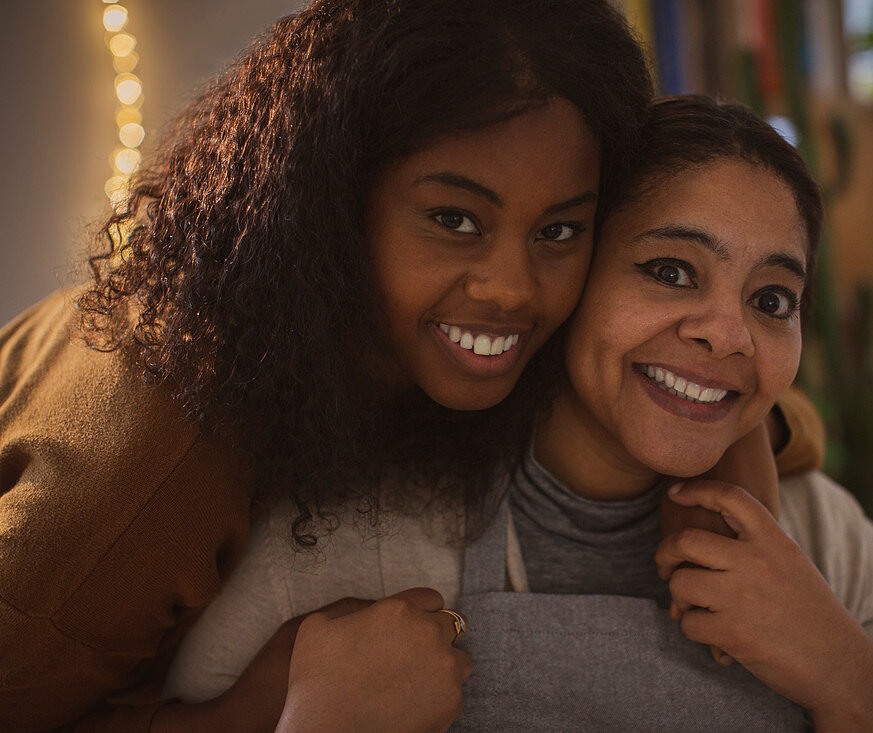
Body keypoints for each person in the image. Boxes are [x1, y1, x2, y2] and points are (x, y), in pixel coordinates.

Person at [162, 98, 873, 732]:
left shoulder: (829, 539)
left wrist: (859, 694)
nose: (729, 331)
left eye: (771, 298)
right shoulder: (345, 535)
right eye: (671, 269)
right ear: (568, 275)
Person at [0, 0, 655, 729]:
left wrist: (746, 456)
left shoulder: (401, 337)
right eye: (455, 220)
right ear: (330, 198)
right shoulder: (162, 444)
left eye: (559, 230)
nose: (514, 289)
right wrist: (268, 714)